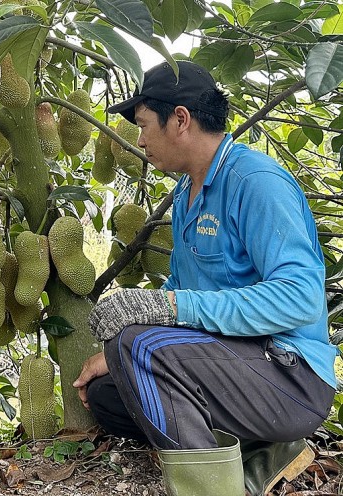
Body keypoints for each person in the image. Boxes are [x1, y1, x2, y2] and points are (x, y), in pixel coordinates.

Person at [72, 61, 337, 496]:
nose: (139, 141)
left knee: (133, 346)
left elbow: (300, 298)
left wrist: (160, 317)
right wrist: (122, 350)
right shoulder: (186, 194)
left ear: (180, 119)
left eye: (143, 126)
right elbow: (180, 285)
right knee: (108, 393)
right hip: (231, 362)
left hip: (291, 376)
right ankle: (266, 449)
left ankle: (215, 488)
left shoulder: (255, 182)